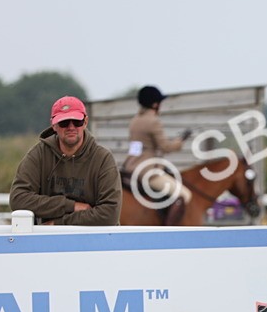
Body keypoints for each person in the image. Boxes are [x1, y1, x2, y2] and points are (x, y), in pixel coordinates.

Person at [10, 96, 122, 226]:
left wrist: (57, 224)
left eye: (77, 121)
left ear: (85, 122)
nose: (71, 127)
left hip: (95, 240)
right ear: (54, 125)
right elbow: (17, 199)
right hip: (49, 240)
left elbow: (110, 214)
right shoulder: (38, 154)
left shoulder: (103, 158)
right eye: (64, 122)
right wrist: (71, 206)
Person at [123, 85, 192, 225]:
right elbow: (165, 147)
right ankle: (169, 232)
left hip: (130, 167)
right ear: (155, 104)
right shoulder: (153, 121)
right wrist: (180, 141)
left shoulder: (134, 120)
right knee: (184, 195)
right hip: (148, 172)